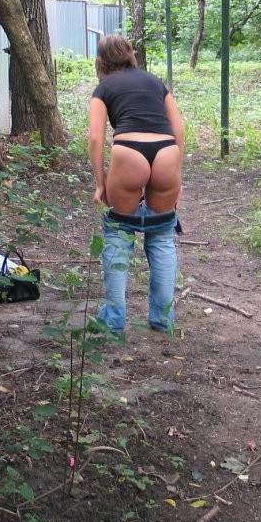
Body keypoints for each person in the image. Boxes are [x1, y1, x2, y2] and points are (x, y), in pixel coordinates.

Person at [89, 35, 185, 336]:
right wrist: (177, 176)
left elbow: (95, 137)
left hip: (128, 151)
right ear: (130, 55)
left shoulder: (104, 88)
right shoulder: (155, 82)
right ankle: (163, 319)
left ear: (101, 61)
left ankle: (113, 321)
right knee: (161, 238)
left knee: (118, 236)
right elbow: (178, 127)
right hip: (167, 152)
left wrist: (100, 183)